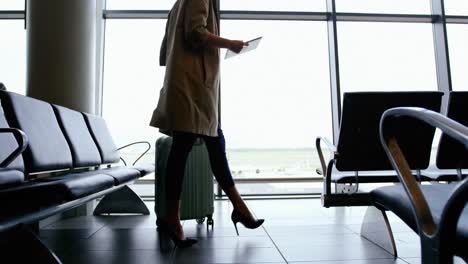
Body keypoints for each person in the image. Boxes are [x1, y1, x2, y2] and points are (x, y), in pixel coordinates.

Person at [150, 0, 264, 248]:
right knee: (189, 149)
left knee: (210, 144)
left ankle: (237, 207)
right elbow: (196, 33)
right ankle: (176, 219)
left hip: (189, 85)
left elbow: (167, 48)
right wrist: (230, 43)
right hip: (193, 87)